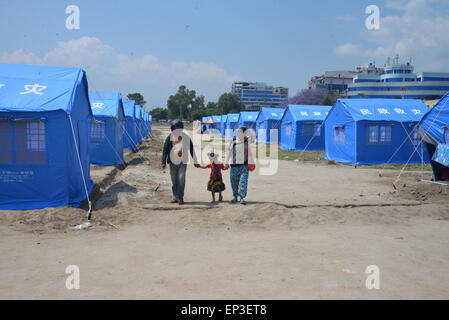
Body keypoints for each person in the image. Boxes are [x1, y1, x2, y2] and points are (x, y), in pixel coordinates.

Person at [162, 120, 199, 205]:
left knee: (181, 178)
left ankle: (180, 197)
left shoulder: (186, 137)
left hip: (182, 161)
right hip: (172, 162)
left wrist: (196, 161)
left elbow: (192, 149)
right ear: (172, 128)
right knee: (174, 180)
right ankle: (175, 197)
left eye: (178, 128)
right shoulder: (169, 137)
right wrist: (163, 162)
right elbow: (165, 149)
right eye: (175, 128)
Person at [224, 126, 255, 205]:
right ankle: (235, 197)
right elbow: (229, 152)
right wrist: (226, 162)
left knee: (243, 182)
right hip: (234, 165)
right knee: (234, 181)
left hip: (244, 166)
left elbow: (254, 136)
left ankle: (242, 198)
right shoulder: (233, 141)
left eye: (241, 132)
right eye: (238, 132)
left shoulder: (247, 140)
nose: (239, 133)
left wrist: (248, 129)